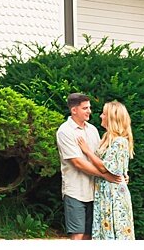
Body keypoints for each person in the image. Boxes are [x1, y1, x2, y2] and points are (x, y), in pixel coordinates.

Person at [56, 92, 122, 240]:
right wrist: (106, 175)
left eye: (89, 107)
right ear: (74, 110)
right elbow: (78, 163)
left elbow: (101, 158)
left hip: (95, 191)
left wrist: (120, 173)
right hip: (76, 191)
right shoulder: (65, 131)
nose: (90, 111)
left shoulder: (92, 130)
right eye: (85, 108)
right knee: (78, 234)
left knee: (89, 235)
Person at [86, 100, 135, 240]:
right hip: (104, 192)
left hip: (114, 195)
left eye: (104, 113)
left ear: (112, 118)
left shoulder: (120, 141)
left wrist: (87, 151)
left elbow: (105, 167)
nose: (101, 116)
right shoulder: (106, 138)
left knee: (116, 231)